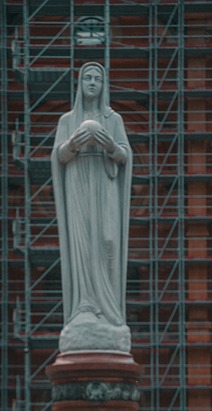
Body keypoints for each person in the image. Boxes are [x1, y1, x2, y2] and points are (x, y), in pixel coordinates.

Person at [51, 63, 132, 352]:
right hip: (78, 185)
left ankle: (109, 310)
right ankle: (85, 304)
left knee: (107, 241)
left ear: (104, 85)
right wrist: (73, 144)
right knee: (83, 244)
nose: (93, 83)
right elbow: (58, 156)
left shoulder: (114, 119)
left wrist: (110, 146)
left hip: (105, 184)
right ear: (80, 83)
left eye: (98, 78)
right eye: (87, 77)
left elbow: (124, 156)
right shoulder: (67, 120)